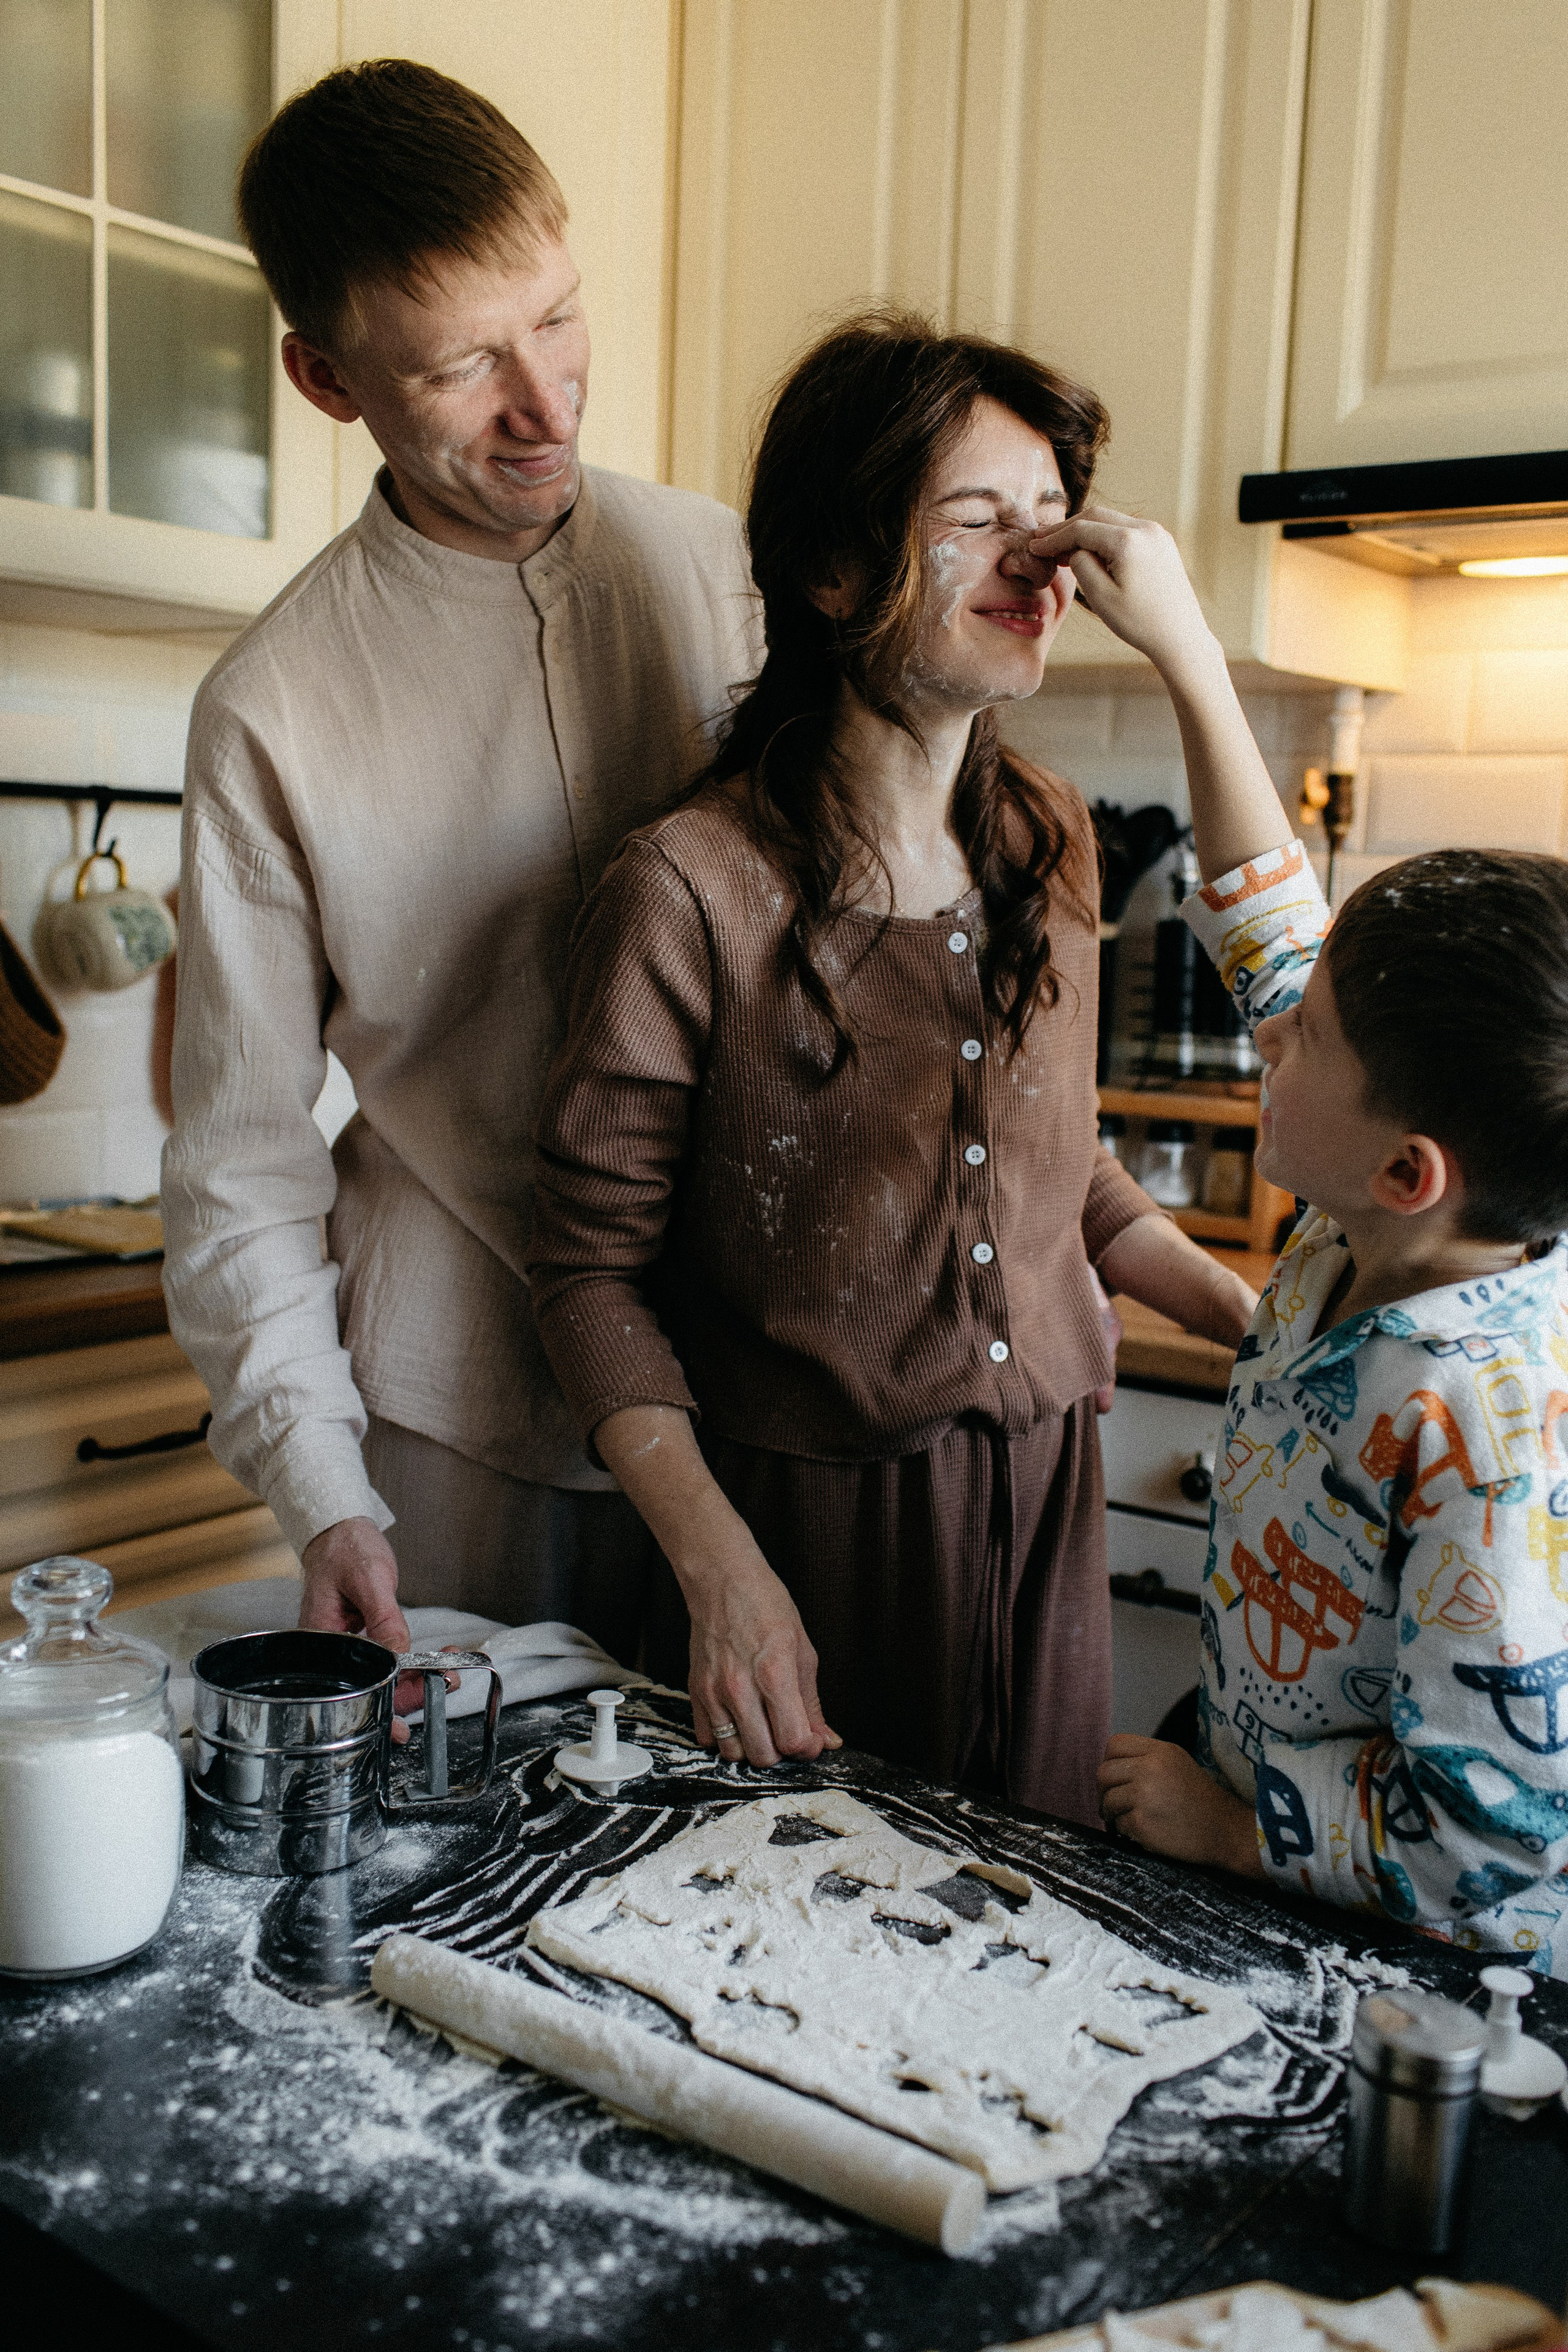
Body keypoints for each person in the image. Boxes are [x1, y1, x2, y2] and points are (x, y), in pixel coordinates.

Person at [525, 314, 1258, 1825]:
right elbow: (586, 1278)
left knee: (1022, 1947)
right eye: (977, 522)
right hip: (807, 1537)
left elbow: (1065, 1175)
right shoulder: (689, 888)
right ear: (836, 571)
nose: (1041, 565)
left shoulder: (1046, 839)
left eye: (1047, 520)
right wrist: (717, 1570)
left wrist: (1252, 1323)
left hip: (1043, 1504)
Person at [160, 61, 760, 1670]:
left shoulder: (732, 569)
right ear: (325, 375)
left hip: (770, 1395)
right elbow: (240, 1167)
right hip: (457, 1429)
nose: (546, 403)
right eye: (463, 366)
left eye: (558, 319)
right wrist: (324, 1493)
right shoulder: (269, 713)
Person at [1084, 517, 1568, 1971]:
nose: (1270, 1023)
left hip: (1405, 1962)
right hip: (1262, 1822)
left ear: (1407, 1169)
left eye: (1311, 1038)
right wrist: (1183, 647)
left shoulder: (1479, 1439)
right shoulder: (1382, 1223)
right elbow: (1268, 928)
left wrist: (1230, 1828)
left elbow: (1493, 1840)